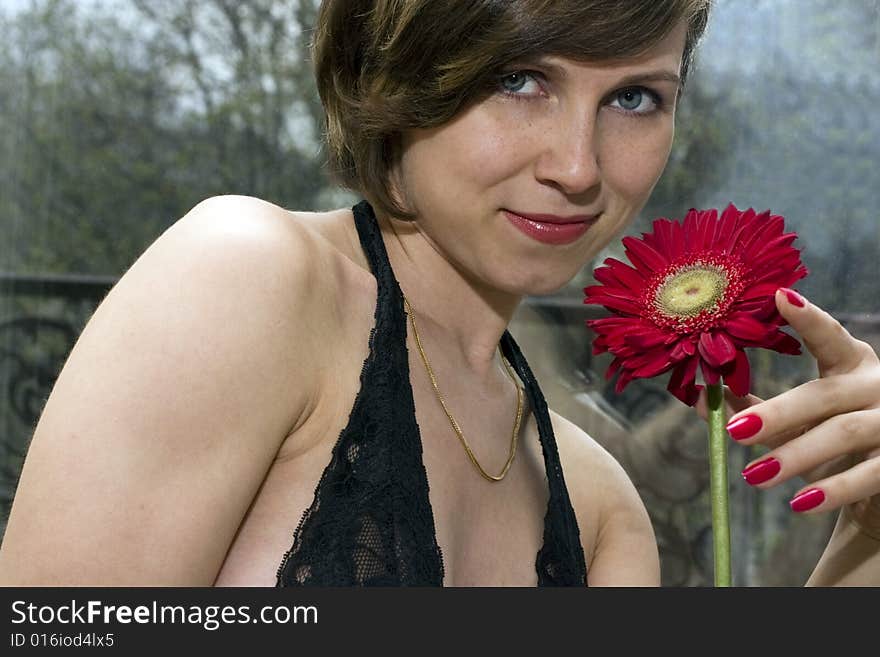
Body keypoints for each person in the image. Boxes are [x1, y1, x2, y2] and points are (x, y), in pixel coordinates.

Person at [0, 0, 878, 587]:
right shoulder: (247, 278)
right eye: (519, 80)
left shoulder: (603, 507)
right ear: (397, 75)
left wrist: (865, 543)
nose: (577, 167)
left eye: (636, 98)